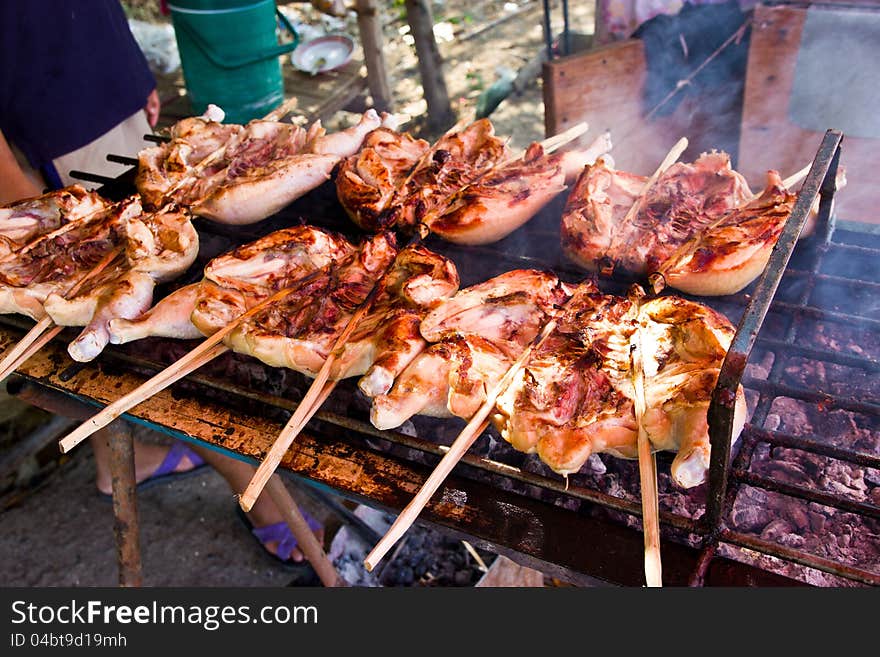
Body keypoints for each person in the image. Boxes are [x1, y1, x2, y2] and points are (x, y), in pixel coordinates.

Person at [0, 1, 323, 566]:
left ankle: (115, 464)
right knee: (127, 338)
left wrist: (130, 81)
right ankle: (262, 499)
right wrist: (23, 207)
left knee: (109, 319)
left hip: (101, 96)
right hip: (44, 141)